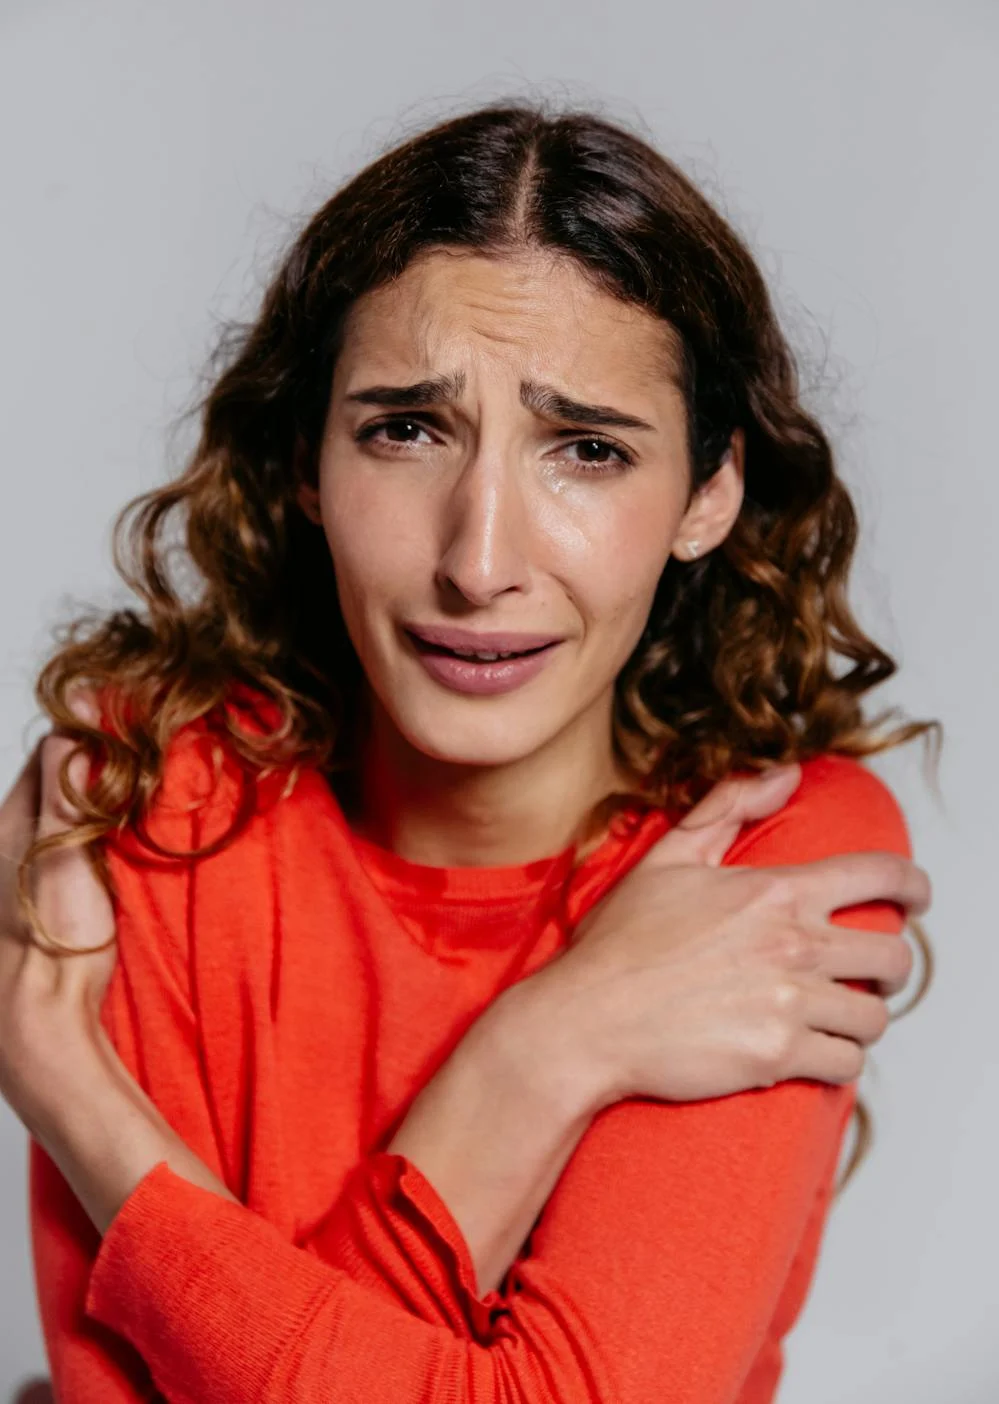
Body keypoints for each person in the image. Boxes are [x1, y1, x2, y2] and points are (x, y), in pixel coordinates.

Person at [0, 100, 937, 1404]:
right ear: (307, 462)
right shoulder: (155, 793)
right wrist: (552, 1053)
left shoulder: (769, 855)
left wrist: (75, 1100)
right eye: (404, 430)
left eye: (589, 450)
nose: (477, 561)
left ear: (709, 493)